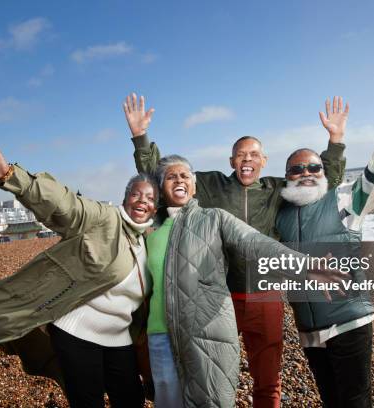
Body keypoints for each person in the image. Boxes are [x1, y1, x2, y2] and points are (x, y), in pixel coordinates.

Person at [124, 93, 346, 408]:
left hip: (265, 296)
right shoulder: (212, 186)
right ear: (231, 162)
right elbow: (164, 177)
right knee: (213, 375)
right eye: (240, 155)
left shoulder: (274, 190)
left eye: (254, 154)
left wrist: (335, 142)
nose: (247, 160)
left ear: (264, 161)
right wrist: (140, 138)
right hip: (219, 299)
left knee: (267, 380)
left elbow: (322, 185)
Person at [0, 139, 159, 408]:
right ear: (125, 198)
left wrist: (142, 139)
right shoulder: (103, 218)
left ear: (156, 208)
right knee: (88, 401)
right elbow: (64, 203)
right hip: (77, 333)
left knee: (131, 398)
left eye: (150, 198)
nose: (142, 200)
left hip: (119, 337)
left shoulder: (146, 240)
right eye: (136, 194)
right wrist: (12, 176)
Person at [276, 52, 374, 408]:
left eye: (313, 166)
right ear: (287, 176)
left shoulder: (345, 200)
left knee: (355, 402)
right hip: (309, 333)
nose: (306, 172)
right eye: (297, 168)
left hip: (349, 323)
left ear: (323, 172)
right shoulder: (278, 217)